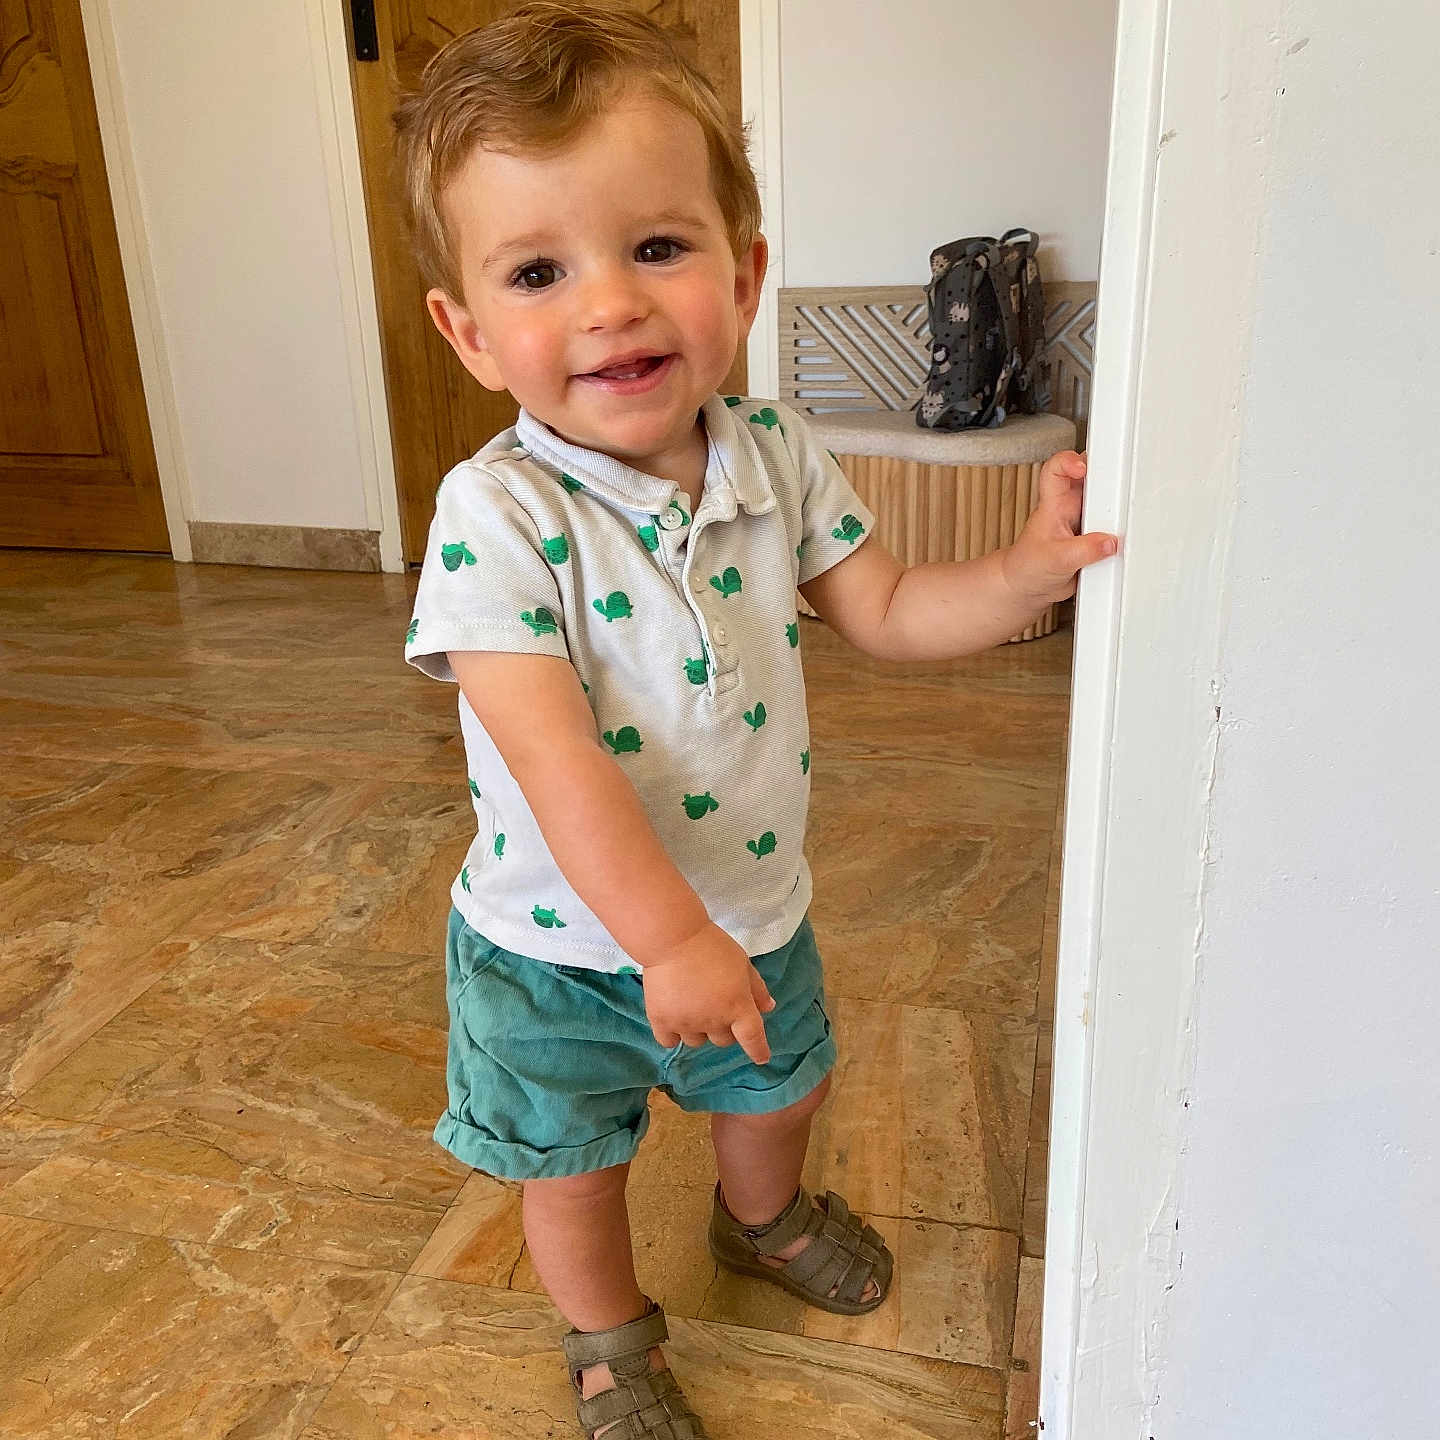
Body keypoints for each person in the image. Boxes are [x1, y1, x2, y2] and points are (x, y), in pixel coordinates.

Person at [397, 4, 1117, 1435]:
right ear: (472, 334)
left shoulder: (778, 454)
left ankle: (762, 1219)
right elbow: (549, 762)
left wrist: (1037, 573)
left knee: (779, 1090)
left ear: (748, 271)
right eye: (541, 271)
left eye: (656, 247)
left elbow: (893, 610)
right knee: (570, 1169)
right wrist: (665, 941)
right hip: (553, 948)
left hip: (753, 906)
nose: (609, 304)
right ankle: (608, 1338)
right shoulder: (496, 517)